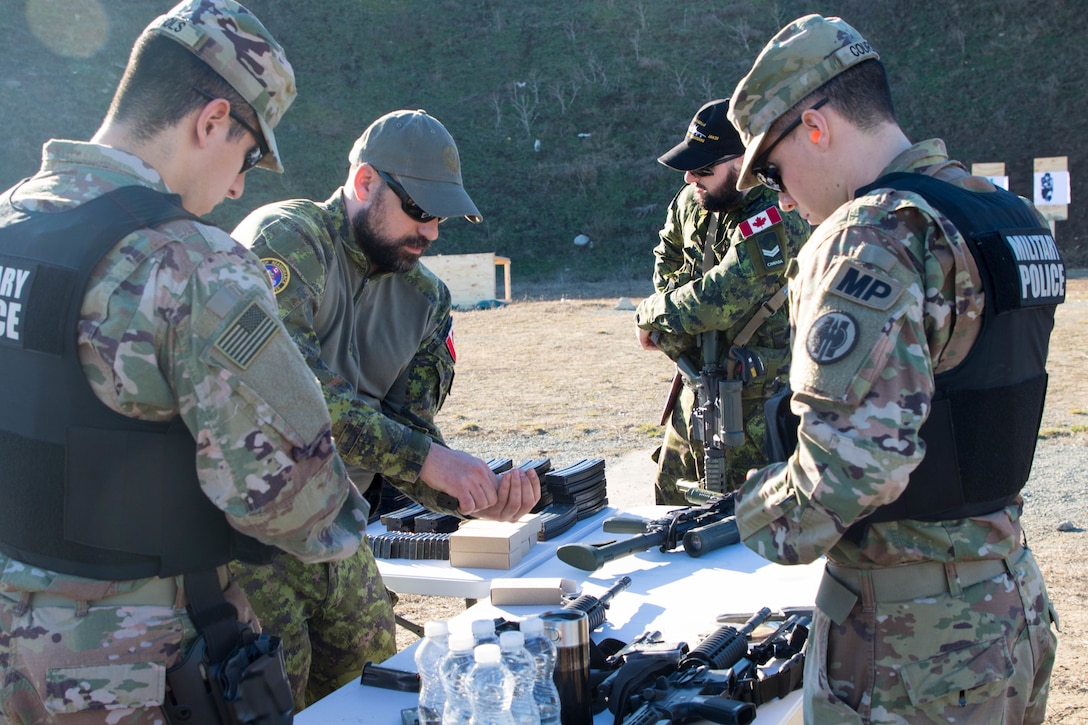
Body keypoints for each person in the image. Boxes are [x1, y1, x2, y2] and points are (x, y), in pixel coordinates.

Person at [0, 1, 371, 723]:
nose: (238, 187)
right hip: (133, 673)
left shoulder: (12, 227)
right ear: (210, 121)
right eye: (249, 155)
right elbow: (300, 500)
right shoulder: (194, 267)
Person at [726, 14, 1062, 723]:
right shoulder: (1005, 215)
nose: (783, 199)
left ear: (815, 127)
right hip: (1010, 605)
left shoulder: (873, 234)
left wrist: (749, 514)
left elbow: (848, 470)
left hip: (913, 646)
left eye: (777, 171)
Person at [229, 108, 541, 710]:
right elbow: (288, 396)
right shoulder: (286, 242)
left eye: (441, 218)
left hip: (340, 536)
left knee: (374, 697)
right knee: (267, 701)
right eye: (420, 212)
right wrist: (430, 460)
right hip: (247, 543)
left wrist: (475, 497)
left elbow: (410, 435)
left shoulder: (426, 298)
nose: (431, 234)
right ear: (365, 182)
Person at [634, 99, 808, 504]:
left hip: (757, 403)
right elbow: (667, 259)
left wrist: (651, 314)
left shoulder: (777, 212)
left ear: (745, 161)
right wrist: (674, 304)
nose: (691, 177)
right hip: (694, 387)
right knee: (671, 510)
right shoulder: (692, 201)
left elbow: (721, 295)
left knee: (748, 521)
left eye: (704, 168)